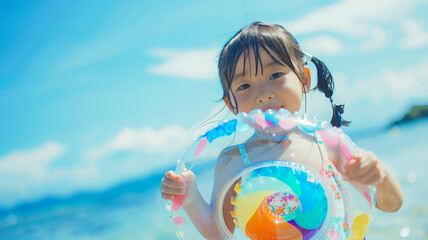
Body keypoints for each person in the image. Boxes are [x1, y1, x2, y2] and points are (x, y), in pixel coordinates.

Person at [161, 22, 403, 239]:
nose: (264, 94)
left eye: (276, 74)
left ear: (304, 79)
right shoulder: (233, 162)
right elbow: (219, 233)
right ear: (231, 104)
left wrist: (378, 174)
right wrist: (190, 197)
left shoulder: (328, 144)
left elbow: (390, 204)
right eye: (244, 85)